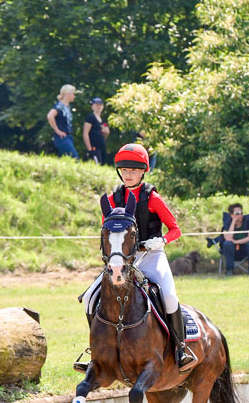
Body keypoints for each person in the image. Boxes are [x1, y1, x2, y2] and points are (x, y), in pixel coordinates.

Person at [77, 143, 197, 374]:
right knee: (92, 297)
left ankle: (180, 349)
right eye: (124, 170)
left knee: (170, 296)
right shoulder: (112, 200)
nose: (128, 174)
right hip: (122, 260)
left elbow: (175, 229)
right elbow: (107, 232)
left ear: (143, 171)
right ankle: (96, 352)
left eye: (133, 170)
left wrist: (161, 241)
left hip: (150, 256)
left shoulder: (153, 198)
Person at [222, 203, 249, 275]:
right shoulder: (227, 223)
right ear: (231, 215)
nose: (240, 215)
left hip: (245, 249)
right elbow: (228, 238)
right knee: (227, 244)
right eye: (237, 213)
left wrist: (236, 241)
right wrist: (233, 223)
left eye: (241, 213)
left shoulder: (248, 221)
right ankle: (229, 270)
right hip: (232, 251)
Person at [47, 84, 78, 158]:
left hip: (68, 136)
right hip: (62, 137)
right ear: (68, 94)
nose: (74, 96)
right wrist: (57, 130)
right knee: (74, 158)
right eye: (73, 94)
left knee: (66, 159)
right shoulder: (59, 106)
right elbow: (50, 116)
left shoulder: (67, 106)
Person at [83, 97, 109, 164]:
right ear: (92, 106)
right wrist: (89, 149)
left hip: (102, 147)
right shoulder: (90, 118)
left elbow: (105, 135)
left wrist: (106, 133)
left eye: (100, 105)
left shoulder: (103, 120)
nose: (99, 106)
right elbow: (85, 133)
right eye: (96, 105)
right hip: (94, 147)